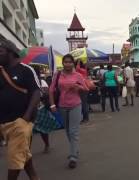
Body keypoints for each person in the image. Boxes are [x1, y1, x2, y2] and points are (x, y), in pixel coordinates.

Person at [0, 39, 40, 180]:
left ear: (10, 53)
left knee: (14, 161)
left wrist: (26, 118)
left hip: (19, 122)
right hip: (3, 123)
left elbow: (36, 92)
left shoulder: (26, 69)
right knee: (23, 155)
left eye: (0, 51)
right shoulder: (1, 71)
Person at [49, 54, 88, 169]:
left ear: (73, 63)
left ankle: (73, 157)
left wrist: (78, 87)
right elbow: (51, 90)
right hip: (62, 106)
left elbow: (86, 88)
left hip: (76, 105)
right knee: (67, 131)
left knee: (73, 131)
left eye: (70, 62)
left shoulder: (78, 75)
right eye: (65, 62)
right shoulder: (58, 75)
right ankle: (75, 149)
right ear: (63, 63)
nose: (67, 64)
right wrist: (52, 104)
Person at [33, 66, 60, 154]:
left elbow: (47, 93)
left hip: (40, 108)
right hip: (30, 109)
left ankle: (47, 145)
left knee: (42, 129)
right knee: (28, 131)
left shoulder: (42, 82)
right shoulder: (28, 81)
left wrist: (40, 95)